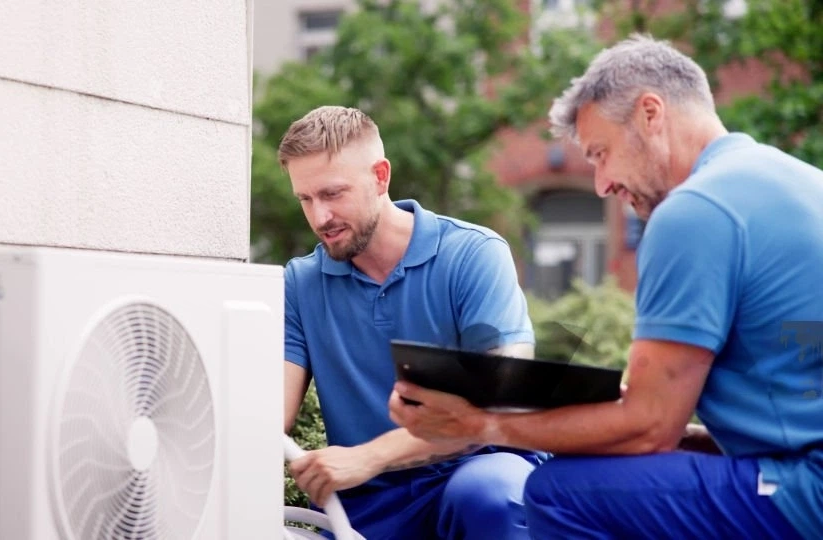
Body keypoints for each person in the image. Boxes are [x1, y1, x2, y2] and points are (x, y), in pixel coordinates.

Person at [388, 34, 822, 540]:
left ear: (650, 114)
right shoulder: (798, 180)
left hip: (804, 492)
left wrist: (477, 426)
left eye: (600, 153)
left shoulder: (694, 212)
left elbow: (647, 429)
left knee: (560, 490)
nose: (601, 184)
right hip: (798, 476)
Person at [279, 105, 544, 539]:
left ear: (380, 176)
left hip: (475, 474)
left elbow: (505, 397)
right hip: (368, 502)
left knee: (489, 492)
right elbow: (269, 416)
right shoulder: (301, 282)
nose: (319, 217)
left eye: (332, 194)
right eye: (305, 199)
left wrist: (372, 455)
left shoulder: (473, 255)